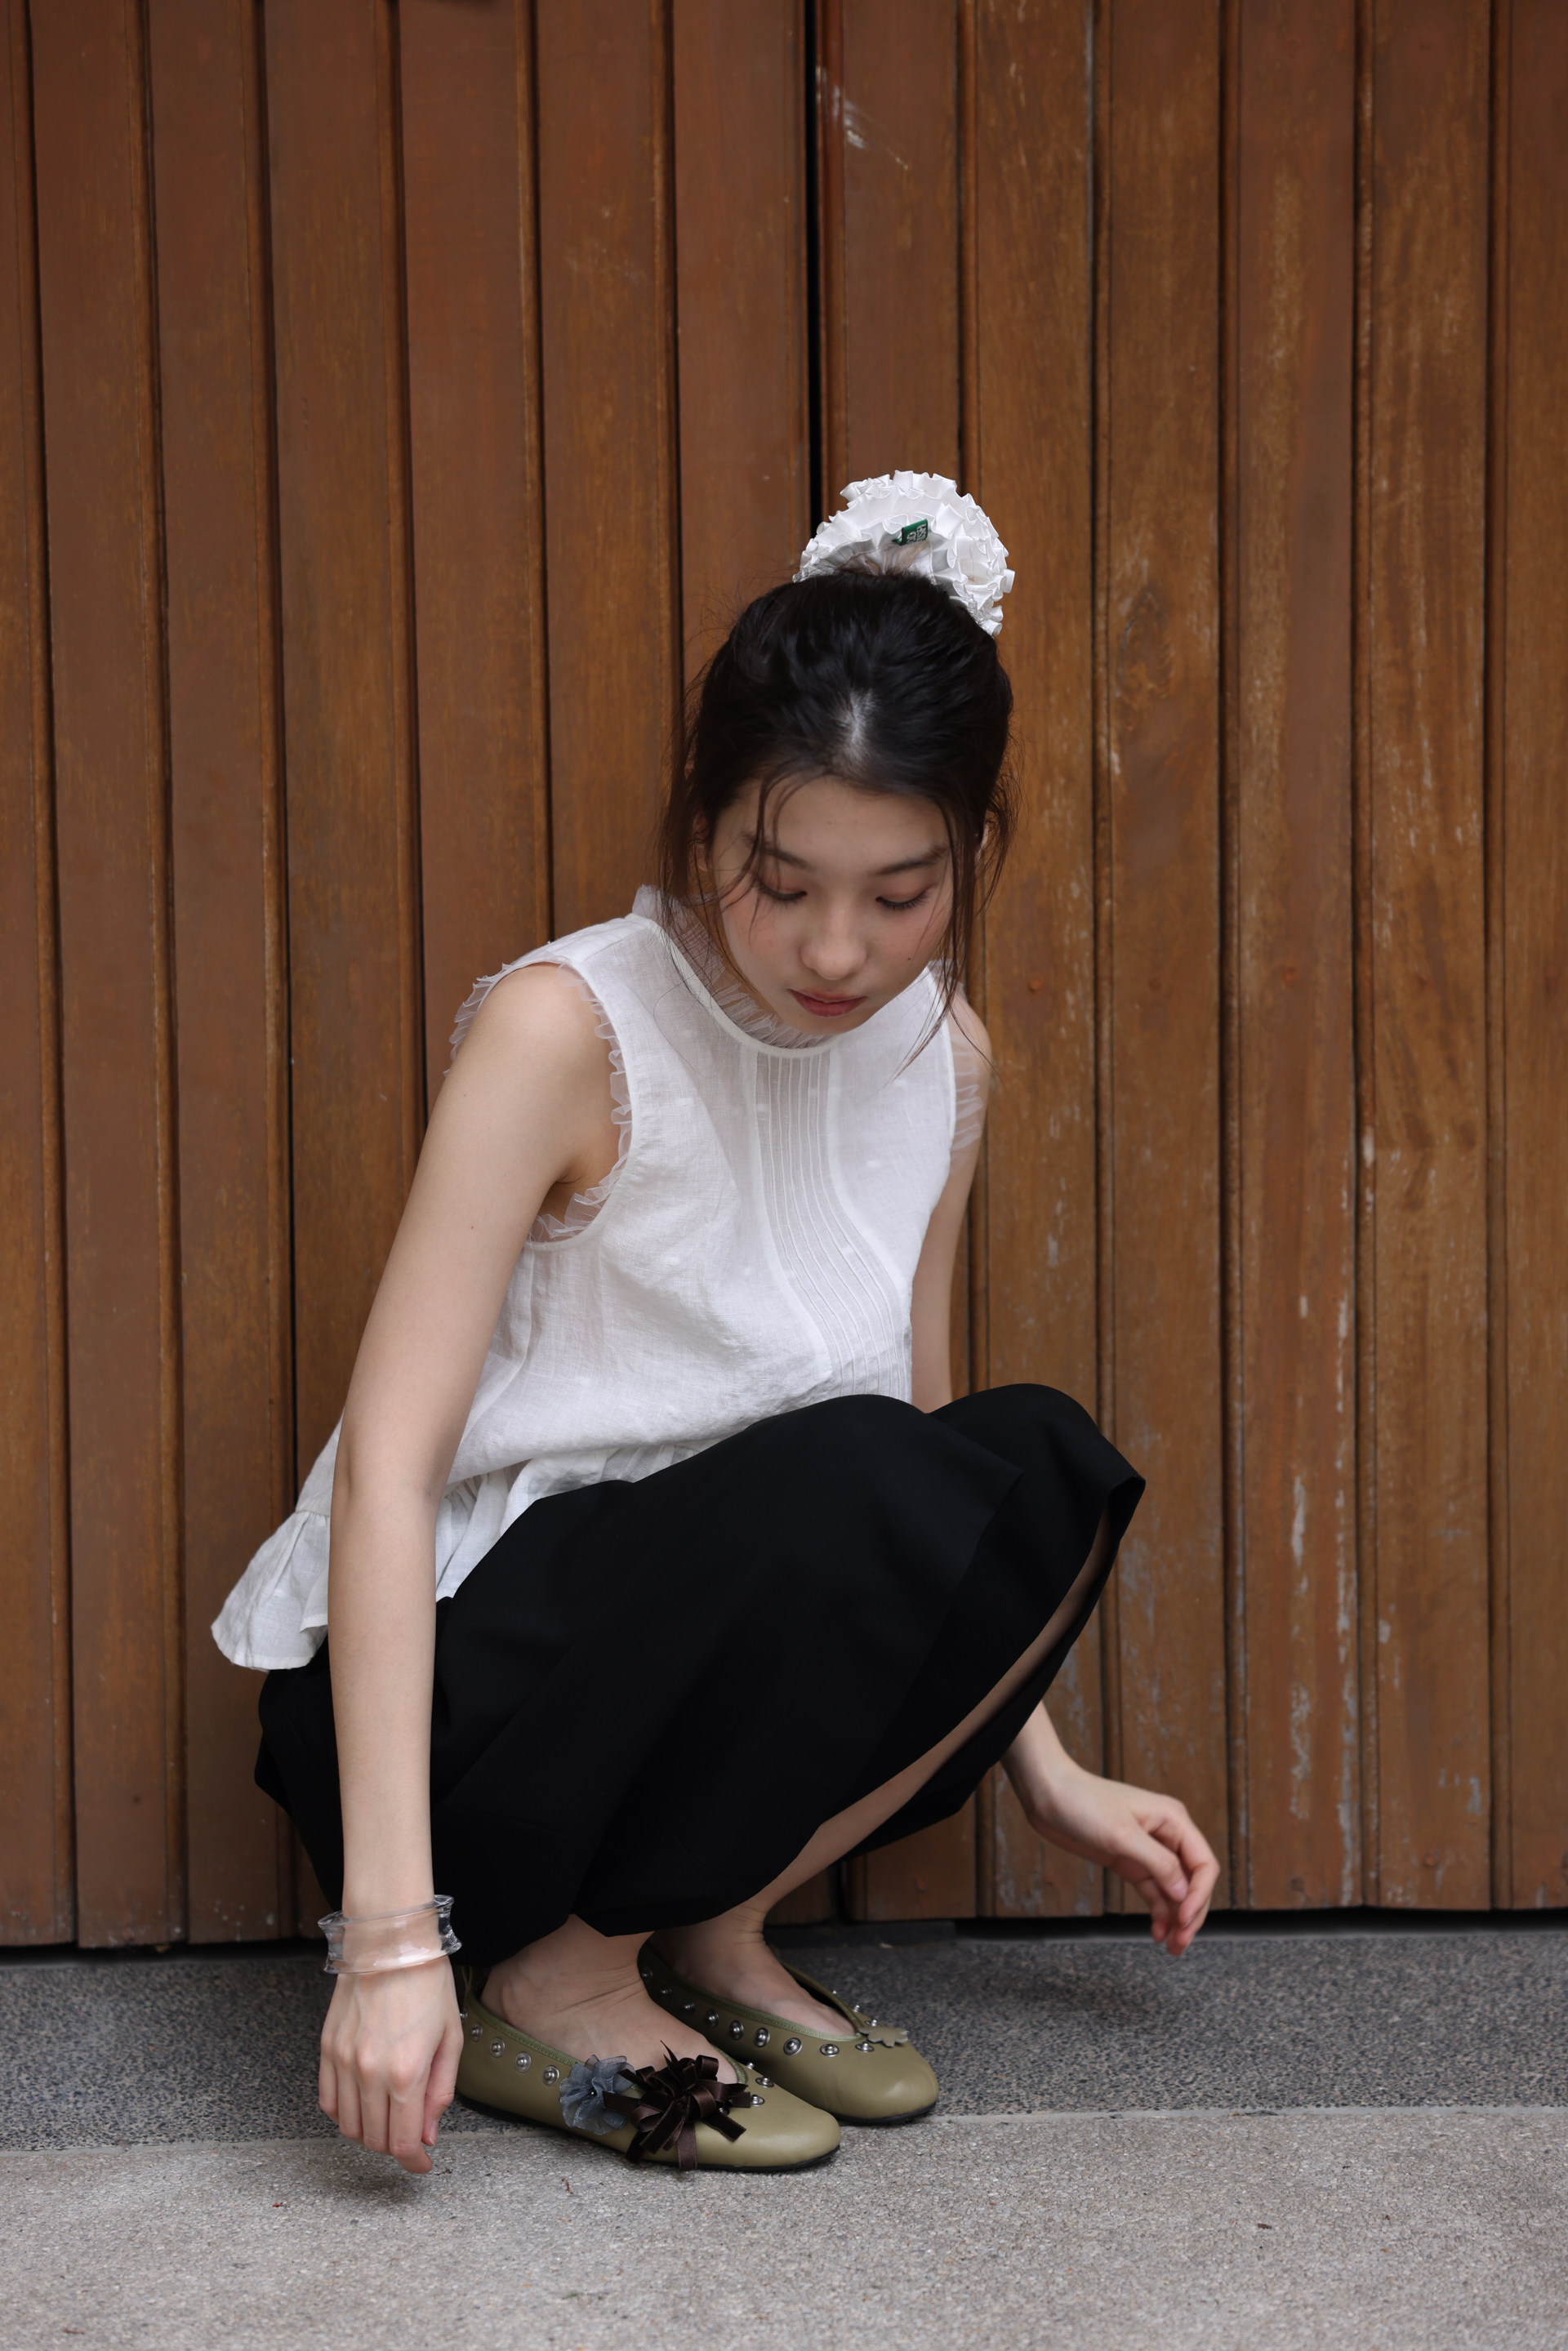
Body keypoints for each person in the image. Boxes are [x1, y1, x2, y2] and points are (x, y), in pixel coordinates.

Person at [215, 471, 1219, 2178]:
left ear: (971, 852)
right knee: (850, 1476)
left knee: (1029, 1458)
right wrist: (386, 1936)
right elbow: (387, 1467)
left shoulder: (946, 1060)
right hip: (458, 1715)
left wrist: (1038, 1764)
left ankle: (704, 1927)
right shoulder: (567, 1029)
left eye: (900, 894)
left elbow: (926, 1443)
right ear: (705, 828)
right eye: (782, 879)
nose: (837, 948)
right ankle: (549, 1968)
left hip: (688, 1672)